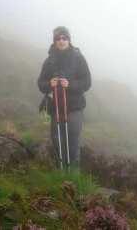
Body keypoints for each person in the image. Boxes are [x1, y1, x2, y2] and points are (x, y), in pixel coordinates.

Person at [37, 26, 91, 169]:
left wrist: (70, 84)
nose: (61, 41)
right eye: (58, 38)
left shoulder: (78, 58)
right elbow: (40, 83)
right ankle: (60, 176)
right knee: (57, 141)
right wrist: (49, 83)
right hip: (56, 108)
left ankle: (73, 178)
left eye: (64, 38)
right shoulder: (49, 61)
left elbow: (87, 82)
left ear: (69, 40)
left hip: (74, 108)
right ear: (54, 41)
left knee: (72, 142)